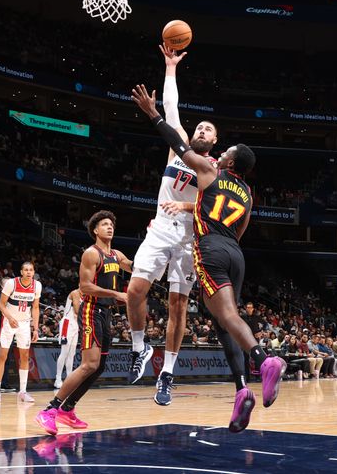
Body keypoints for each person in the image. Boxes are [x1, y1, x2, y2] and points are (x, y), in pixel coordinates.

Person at [132, 84, 284, 433]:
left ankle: (264, 360)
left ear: (226, 160)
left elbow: (175, 141)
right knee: (221, 321)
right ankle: (241, 390)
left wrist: (151, 113)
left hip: (209, 249)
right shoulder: (247, 193)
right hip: (235, 252)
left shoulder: (210, 170)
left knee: (227, 315)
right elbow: (240, 230)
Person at [126, 44, 219, 407]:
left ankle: (167, 375)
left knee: (178, 306)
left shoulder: (212, 171)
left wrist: (185, 203)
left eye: (209, 129)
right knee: (135, 290)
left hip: (188, 237)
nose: (202, 129)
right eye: (200, 125)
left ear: (214, 142)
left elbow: (210, 210)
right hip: (162, 226)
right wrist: (170, 68)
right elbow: (170, 108)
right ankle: (140, 348)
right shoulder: (177, 146)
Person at [35, 210, 132, 435]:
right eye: (105, 224)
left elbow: (133, 266)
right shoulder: (91, 253)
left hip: (106, 313)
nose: (110, 227)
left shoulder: (116, 255)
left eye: (112, 225)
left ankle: (68, 409)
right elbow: (85, 287)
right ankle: (50, 410)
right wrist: (116, 294)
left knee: (99, 367)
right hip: (91, 310)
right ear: (95, 230)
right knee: (89, 364)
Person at [0, 261, 41, 404]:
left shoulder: (37, 286)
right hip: (9, 323)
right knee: (3, 355)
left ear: (33, 272)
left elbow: (36, 308)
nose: (28, 272)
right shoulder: (11, 283)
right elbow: (1, 304)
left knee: (25, 356)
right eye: (26, 270)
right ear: (21, 272)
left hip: (25, 324)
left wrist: (35, 328)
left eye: (31, 270)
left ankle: (23, 392)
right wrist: (10, 318)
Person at [55, 288, 81, 389]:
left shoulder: (86, 296)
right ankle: (58, 379)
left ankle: (69, 379)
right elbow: (77, 310)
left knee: (72, 354)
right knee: (64, 352)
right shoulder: (75, 293)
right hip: (67, 323)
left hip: (75, 325)